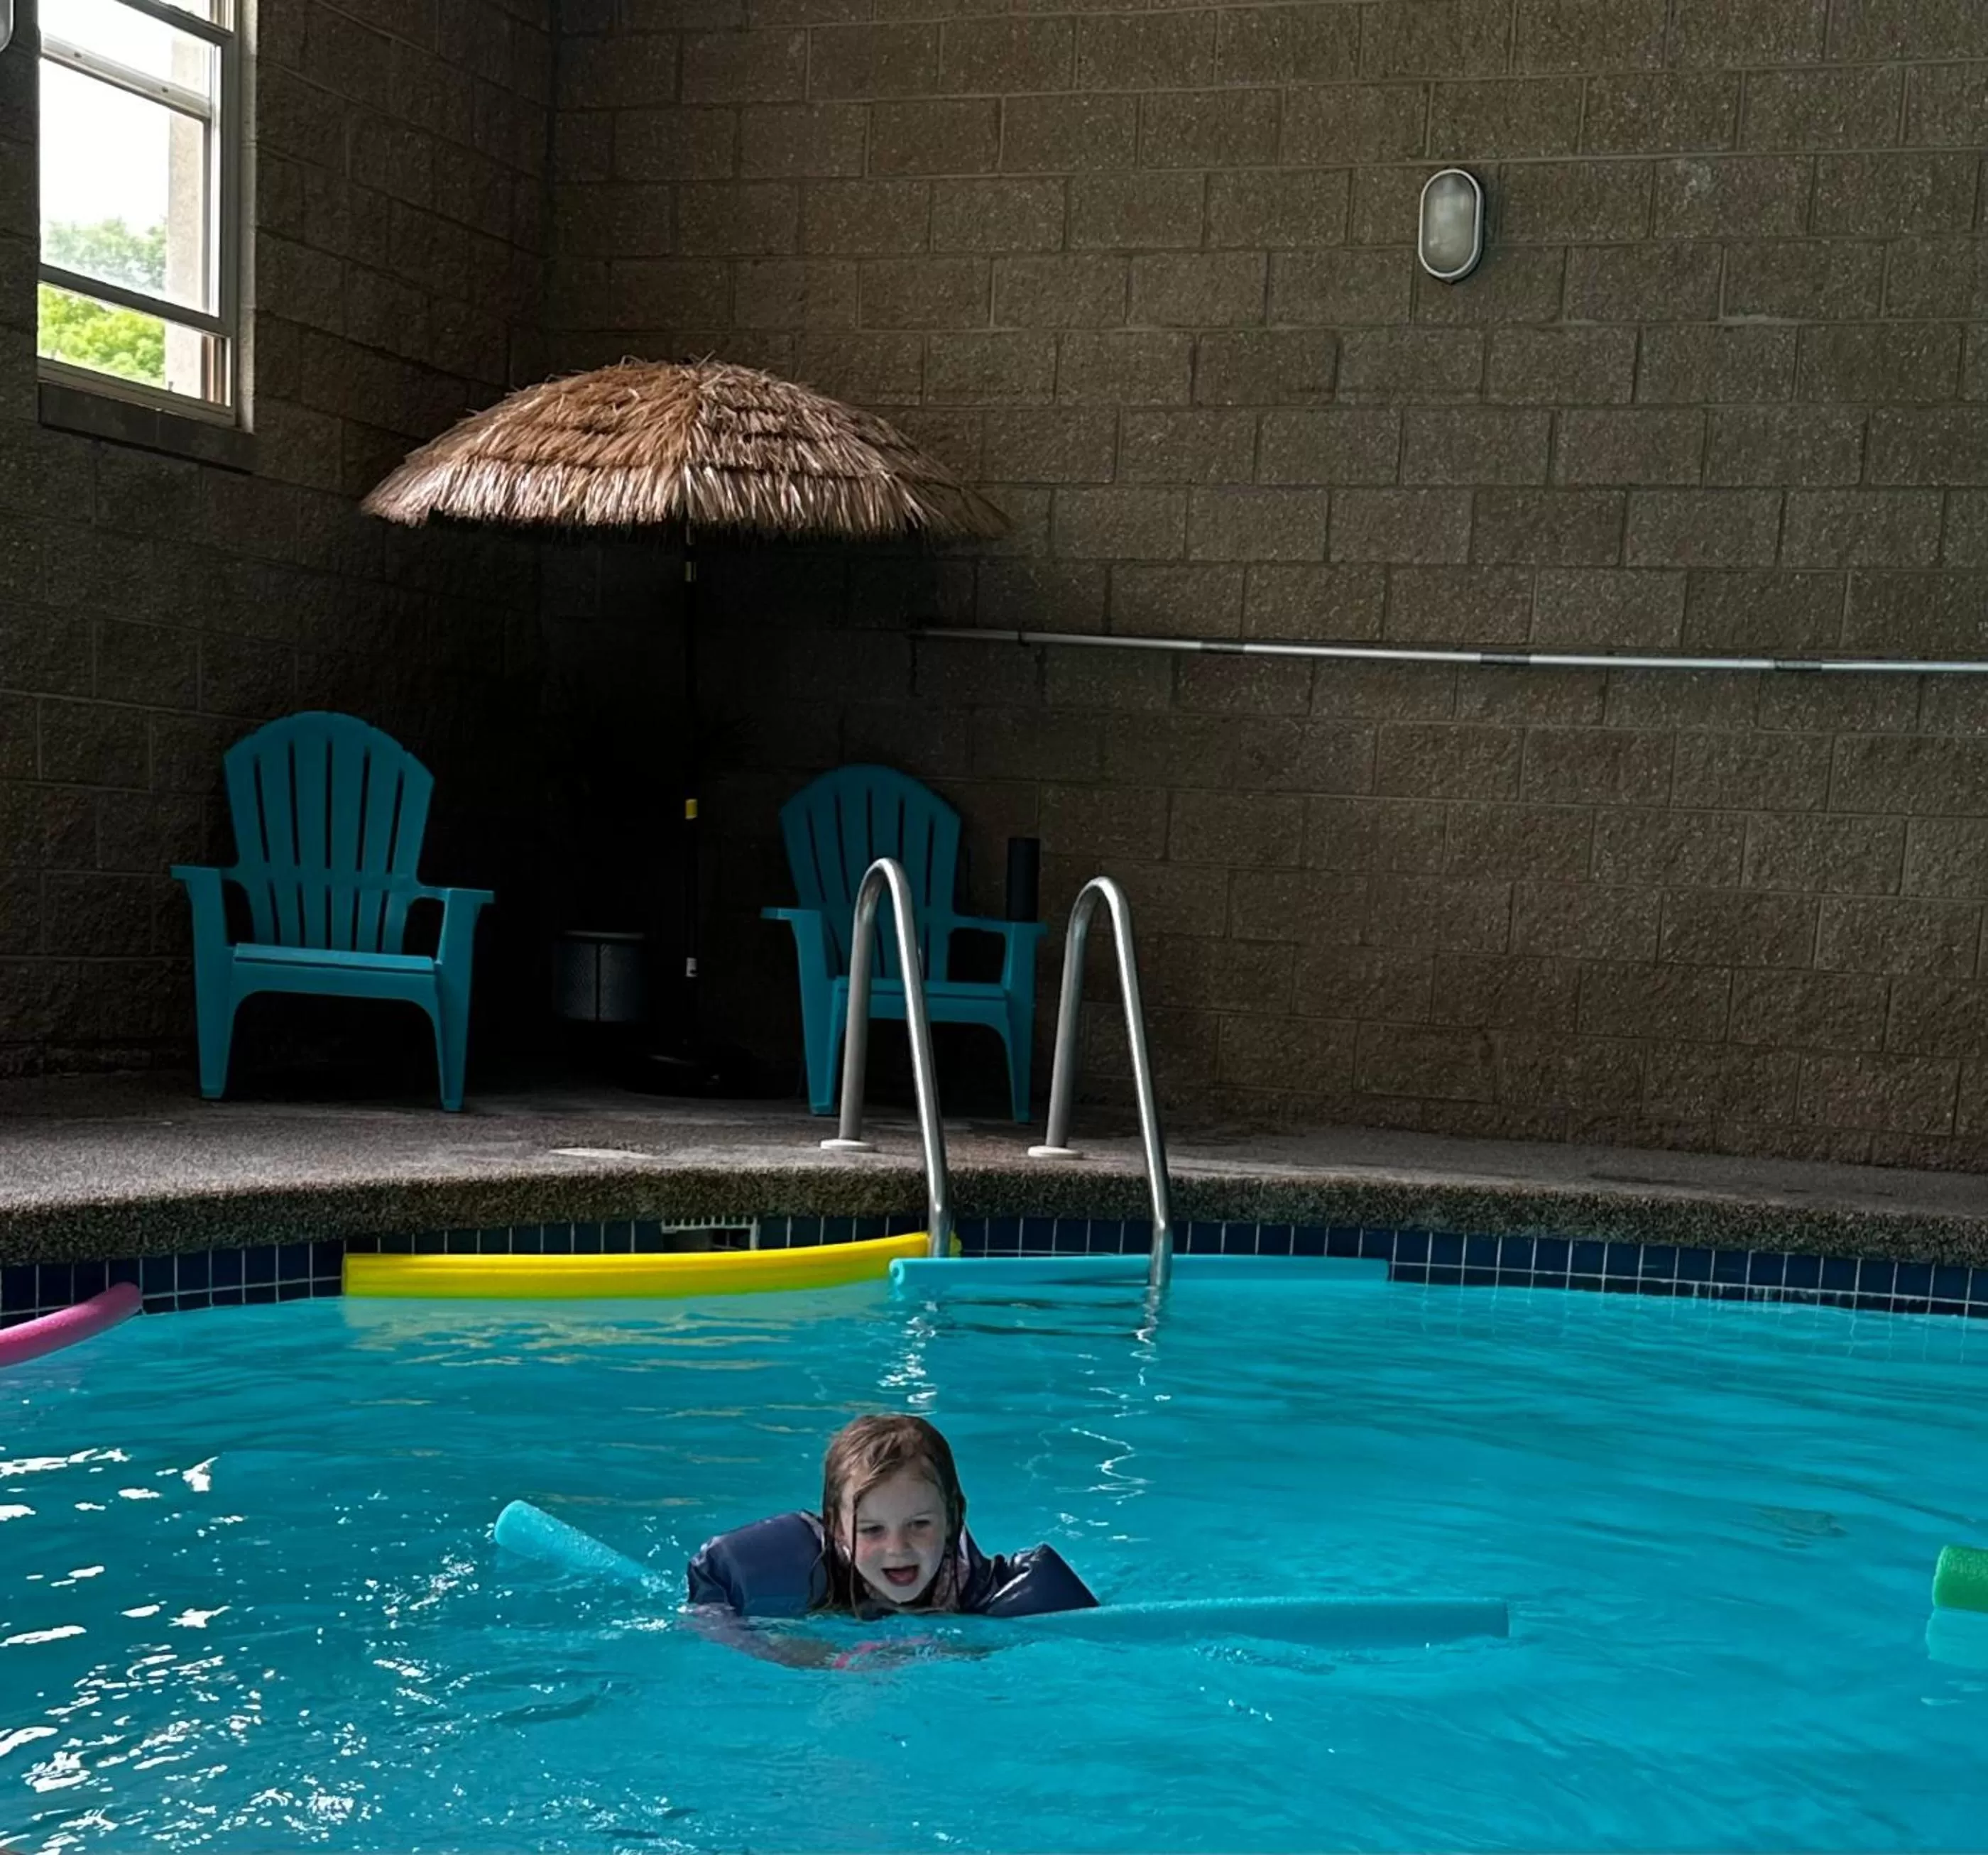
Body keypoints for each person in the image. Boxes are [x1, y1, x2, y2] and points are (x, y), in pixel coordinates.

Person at [685, 1413, 1096, 1629]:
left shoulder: (983, 1591)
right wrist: (803, 1657)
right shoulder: (793, 1568)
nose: (898, 1549)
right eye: (872, 1530)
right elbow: (708, 1613)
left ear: (953, 1519)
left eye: (920, 1525)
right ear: (837, 1527)